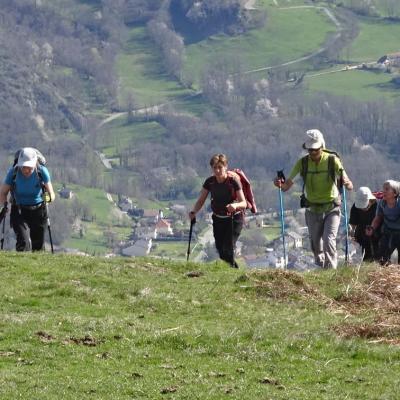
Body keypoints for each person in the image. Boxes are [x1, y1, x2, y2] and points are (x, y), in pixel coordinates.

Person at [274, 129, 353, 269]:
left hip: (332, 207)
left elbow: (346, 179)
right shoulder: (302, 163)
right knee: (316, 243)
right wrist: (279, 184)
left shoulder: (332, 160)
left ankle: (332, 270)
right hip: (312, 209)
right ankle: (322, 268)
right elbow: (286, 186)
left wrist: (347, 183)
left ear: (322, 146)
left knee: (329, 239)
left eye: (315, 150)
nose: (313, 153)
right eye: (310, 150)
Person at [189, 154, 247, 268]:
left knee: (228, 248)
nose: (217, 170)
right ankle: (232, 271)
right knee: (221, 250)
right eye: (215, 167)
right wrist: (193, 212)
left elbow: (244, 203)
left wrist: (235, 206)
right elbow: (201, 200)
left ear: (226, 167)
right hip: (218, 219)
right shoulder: (210, 182)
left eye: (220, 167)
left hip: (234, 219)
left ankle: (233, 272)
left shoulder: (233, 181)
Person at [0, 147, 55, 252]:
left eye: (29, 167)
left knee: (38, 244)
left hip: (39, 210)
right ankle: (20, 266)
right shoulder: (13, 172)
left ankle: (37, 266)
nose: (26, 170)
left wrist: (49, 198)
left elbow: (52, 193)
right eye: (24, 166)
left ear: (35, 164)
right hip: (19, 210)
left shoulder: (41, 171)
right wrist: (4, 205)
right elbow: (3, 193)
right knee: (23, 242)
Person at [366, 180, 400, 265]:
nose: (383, 191)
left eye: (387, 189)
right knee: (383, 257)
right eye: (383, 189)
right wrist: (372, 228)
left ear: (395, 193)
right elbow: (378, 217)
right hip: (387, 232)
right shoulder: (382, 203)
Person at [349, 187, 379, 262]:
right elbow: (353, 224)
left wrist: (373, 229)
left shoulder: (378, 205)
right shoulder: (355, 207)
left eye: (365, 206)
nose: (363, 209)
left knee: (378, 254)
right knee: (365, 255)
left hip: (377, 231)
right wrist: (352, 235)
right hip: (361, 232)